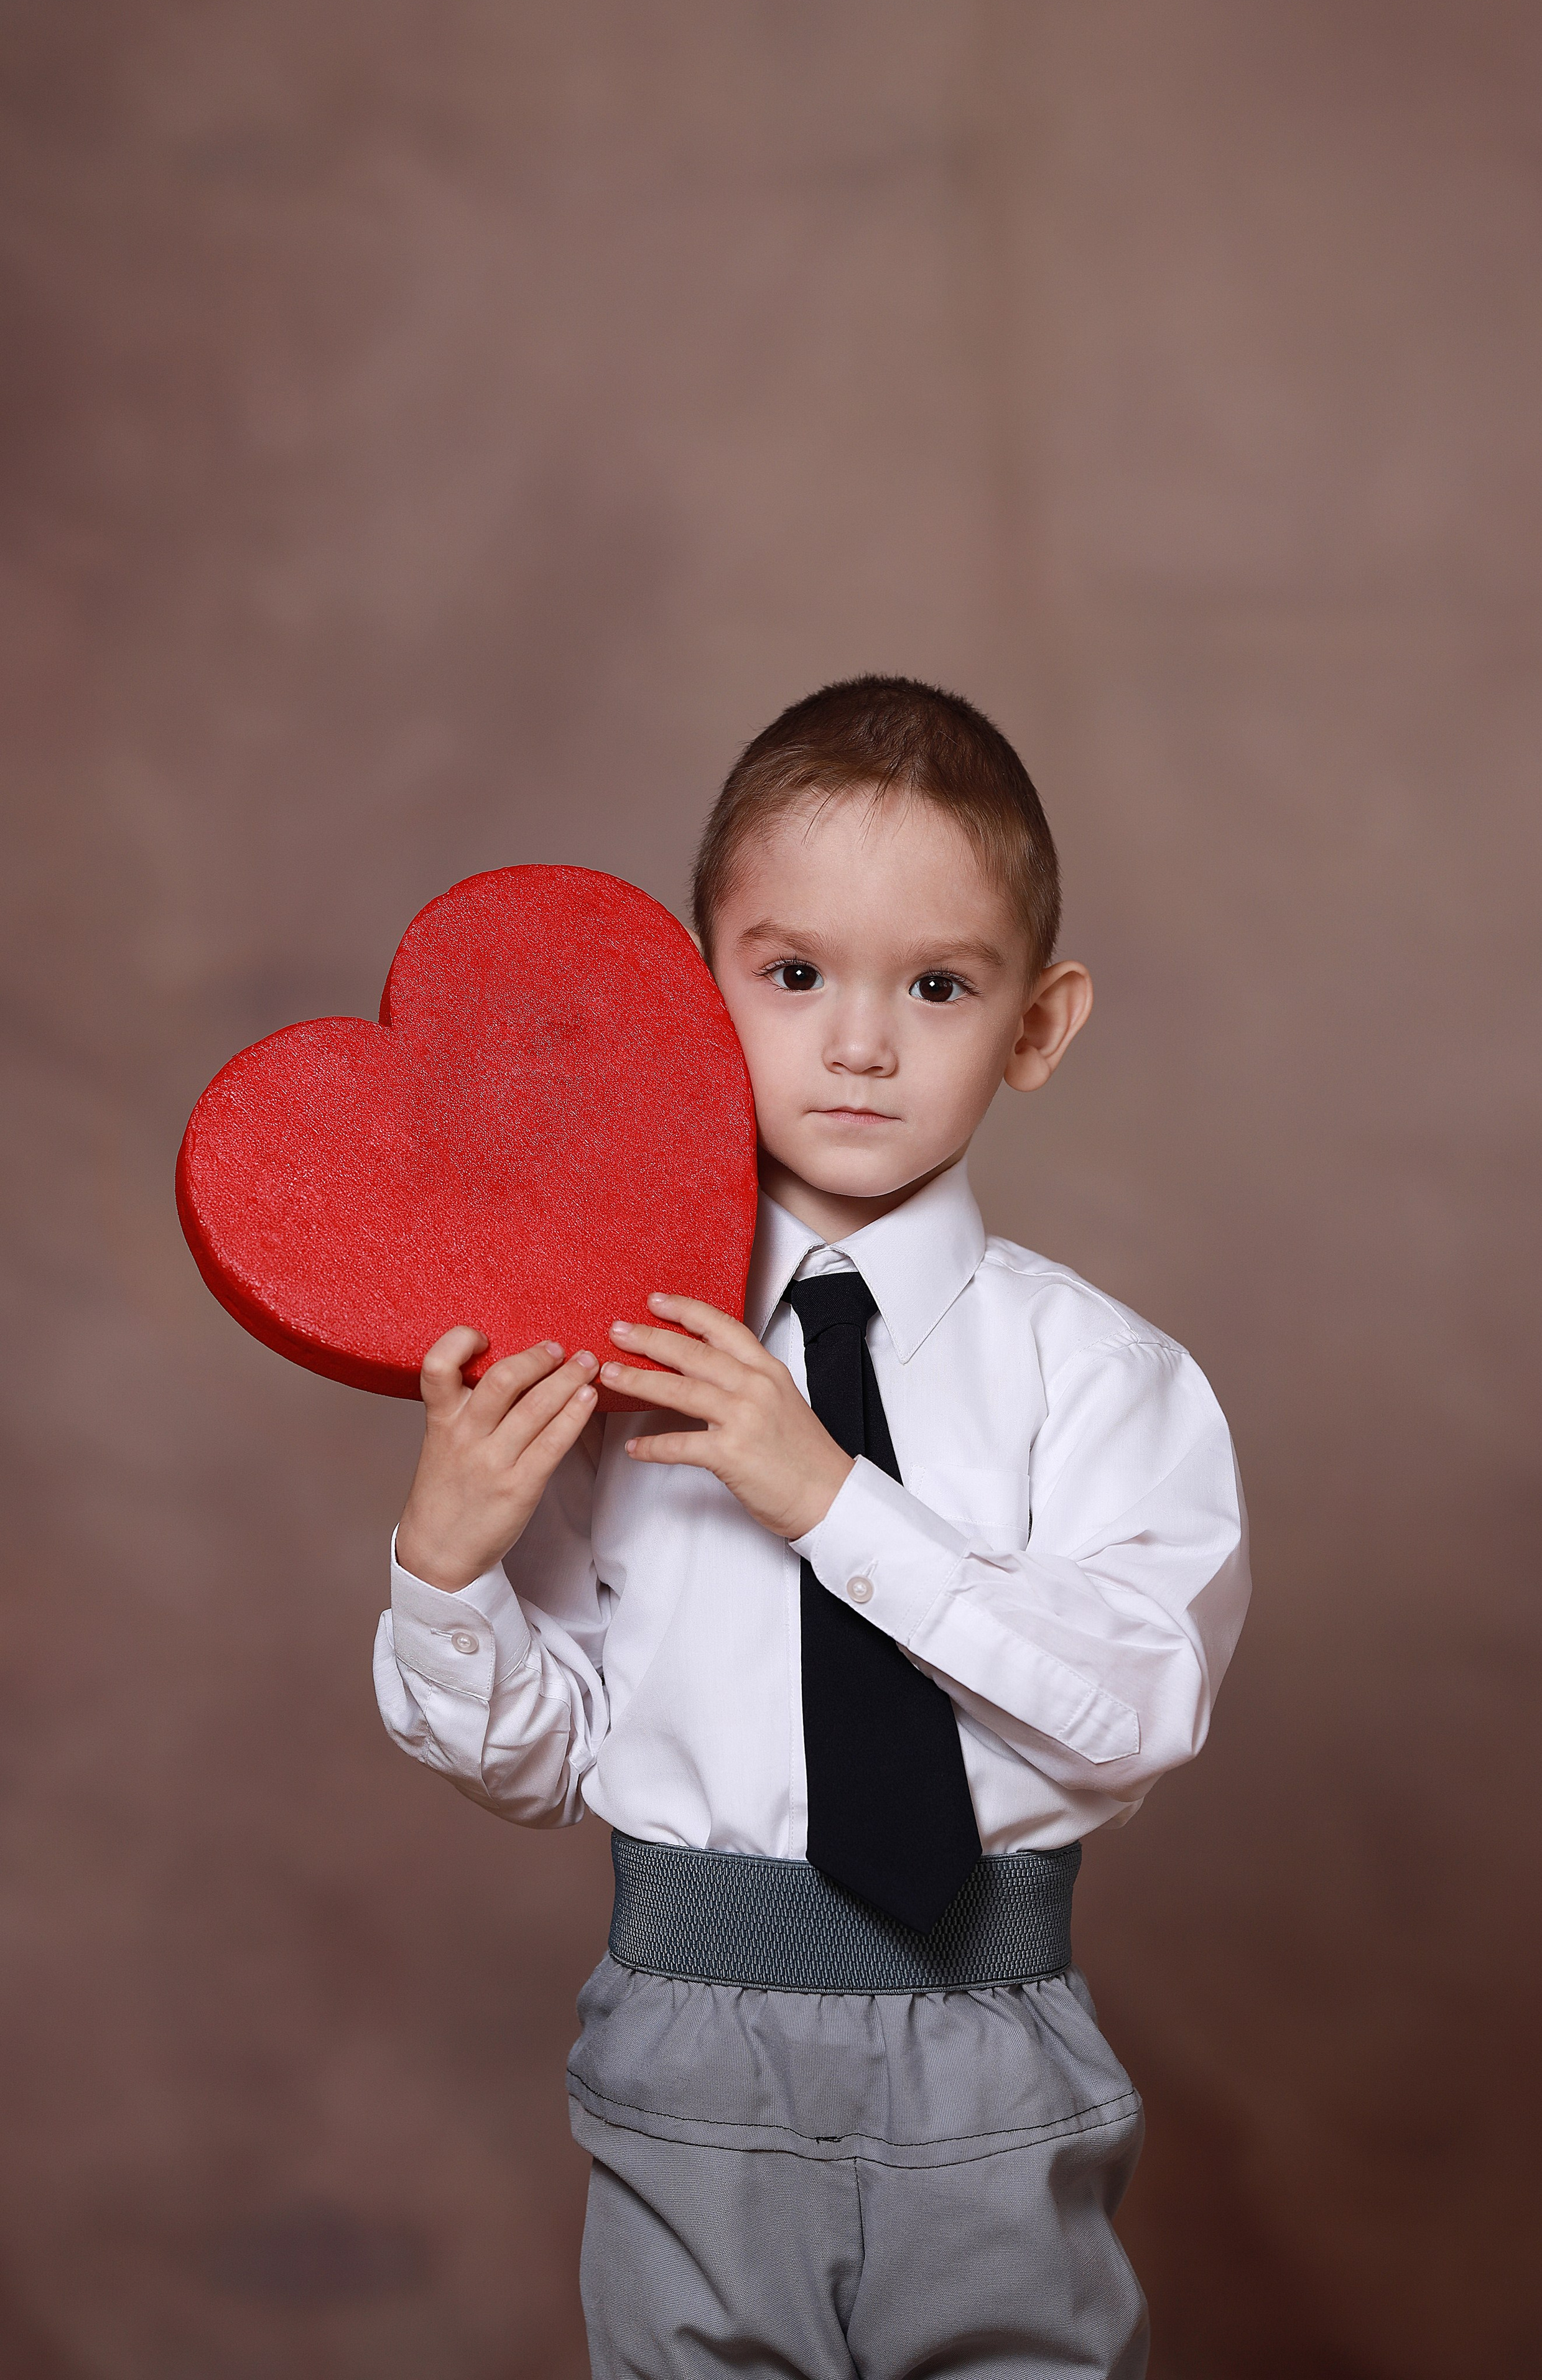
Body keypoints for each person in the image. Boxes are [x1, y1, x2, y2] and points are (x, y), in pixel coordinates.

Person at [375, 677, 1250, 2378]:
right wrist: (445, 1569)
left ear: (1039, 1025)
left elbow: (1136, 1708)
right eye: (792, 977)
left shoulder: (1103, 1379)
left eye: (937, 985)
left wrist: (832, 1499)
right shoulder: (604, 1362)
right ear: (694, 1004)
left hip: (987, 2041)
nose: (859, 1043)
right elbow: (541, 1760)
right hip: (684, 2054)